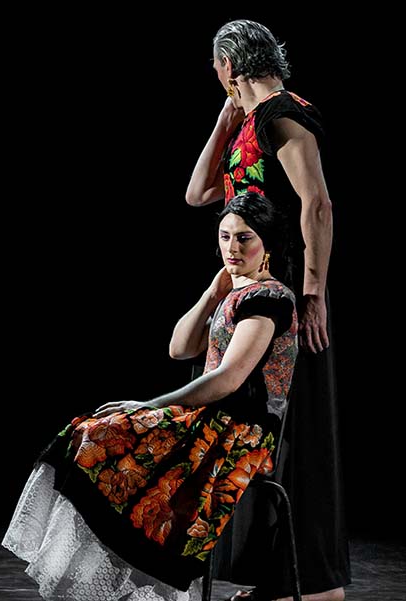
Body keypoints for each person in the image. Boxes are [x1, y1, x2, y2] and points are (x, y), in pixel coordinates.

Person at [3, 192, 299, 601]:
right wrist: (212, 295)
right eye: (225, 237)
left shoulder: (269, 299)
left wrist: (150, 405)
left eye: (245, 238)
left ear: (267, 244)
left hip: (239, 431)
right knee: (89, 431)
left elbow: (229, 379)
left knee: (108, 435)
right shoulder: (235, 291)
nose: (232, 248)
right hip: (211, 418)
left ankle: (134, 582)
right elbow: (179, 348)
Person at [185, 19, 346, 601]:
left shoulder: (283, 114)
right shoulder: (252, 120)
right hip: (246, 292)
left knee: (288, 429)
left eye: (215, 67)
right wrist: (227, 117)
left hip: (285, 299)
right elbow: (200, 194)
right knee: (251, 429)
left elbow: (318, 205)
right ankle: (275, 577)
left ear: (227, 66)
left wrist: (313, 292)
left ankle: (314, 582)